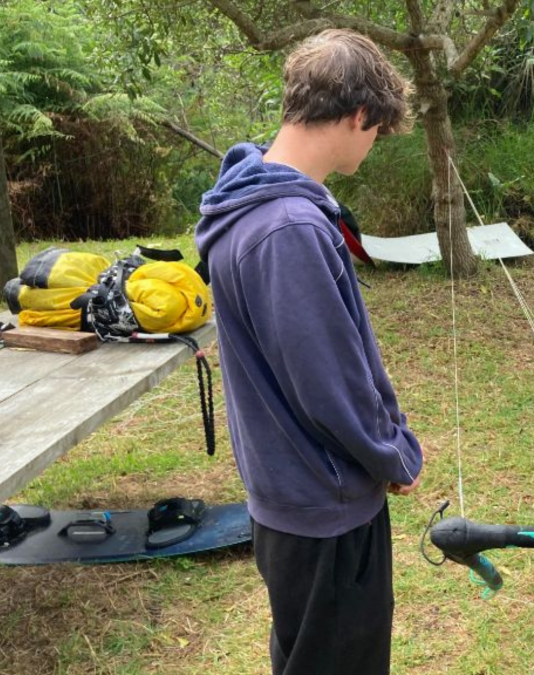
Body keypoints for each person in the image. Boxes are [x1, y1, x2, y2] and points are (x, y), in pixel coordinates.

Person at [195, 29, 424, 675]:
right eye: (377, 128)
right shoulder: (288, 228)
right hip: (324, 507)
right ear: (358, 114)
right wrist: (393, 453)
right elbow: (329, 381)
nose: (374, 143)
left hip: (292, 496)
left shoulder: (251, 207)